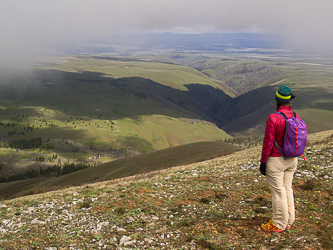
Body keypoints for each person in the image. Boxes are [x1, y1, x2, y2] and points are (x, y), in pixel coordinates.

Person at [260, 85, 300, 232]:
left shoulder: (273, 118)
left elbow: (268, 142)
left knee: (278, 192)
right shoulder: (296, 116)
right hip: (292, 159)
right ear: (290, 100)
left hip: (276, 160)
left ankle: (278, 223)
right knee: (287, 188)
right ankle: (289, 220)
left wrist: (263, 161)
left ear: (277, 100)